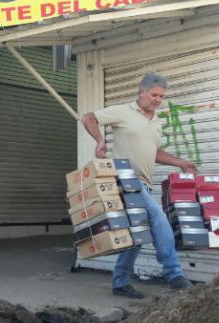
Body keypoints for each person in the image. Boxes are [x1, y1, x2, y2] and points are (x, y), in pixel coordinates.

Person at [80, 73, 196, 298]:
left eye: (161, 96)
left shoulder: (156, 122)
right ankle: (174, 274)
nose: (158, 100)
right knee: (158, 217)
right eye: (154, 95)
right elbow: (88, 118)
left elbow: (155, 152)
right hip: (125, 179)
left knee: (137, 234)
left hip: (144, 184)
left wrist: (179, 162)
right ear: (141, 92)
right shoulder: (124, 111)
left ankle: (120, 281)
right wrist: (100, 140)